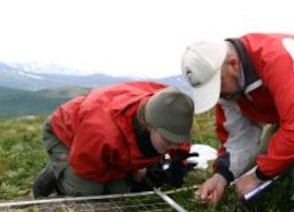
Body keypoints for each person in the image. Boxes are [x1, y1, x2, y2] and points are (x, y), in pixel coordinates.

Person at [181, 33, 294, 210]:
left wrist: (258, 176)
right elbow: (238, 139)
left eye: (218, 84)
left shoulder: (277, 58)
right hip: (292, 116)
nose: (218, 93)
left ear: (233, 64)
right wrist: (221, 176)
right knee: (266, 157)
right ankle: (273, 199)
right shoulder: (228, 89)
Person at [33, 81, 196, 198]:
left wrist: (178, 163)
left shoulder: (175, 109)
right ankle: (55, 173)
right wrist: (131, 168)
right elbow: (86, 167)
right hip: (67, 133)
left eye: (179, 139)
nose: (175, 145)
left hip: (102, 141)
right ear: (149, 125)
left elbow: (178, 141)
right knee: (90, 192)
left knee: (119, 192)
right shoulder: (102, 131)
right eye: (168, 140)